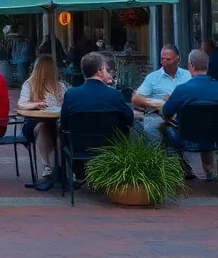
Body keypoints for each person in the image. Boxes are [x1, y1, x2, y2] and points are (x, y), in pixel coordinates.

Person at [58, 52, 134, 182]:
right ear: (100, 71)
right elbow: (130, 119)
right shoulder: (114, 95)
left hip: (79, 147)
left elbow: (64, 123)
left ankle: (77, 174)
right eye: (105, 69)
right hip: (111, 146)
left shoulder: (71, 95)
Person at [162, 49, 218, 181]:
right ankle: (210, 170)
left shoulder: (182, 89)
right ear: (208, 65)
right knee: (205, 128)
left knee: (164, 127)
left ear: (191, 65)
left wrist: (169, 100)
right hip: (216, 135)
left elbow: (166, 112)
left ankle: (184, 169)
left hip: (187, 137)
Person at [17, 54, 68, 190]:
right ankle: (47, 168)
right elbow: (21, 104)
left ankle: (60, 168)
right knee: (42, 127)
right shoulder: (30, 85)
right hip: (34, 122)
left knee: (61, 131)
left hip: (56, 121)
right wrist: (36, 104)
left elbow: (67, 103)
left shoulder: (60, 86)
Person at [132, 45, 191, 145]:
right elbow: (135, 98)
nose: (164, 62)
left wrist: (174, 100)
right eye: (162, 59)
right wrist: (155, 103)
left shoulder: (187, 75)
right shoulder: (153, 77)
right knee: (151, 128)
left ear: (178, 59)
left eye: (168, 59)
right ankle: (156, 158)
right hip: (158, 114)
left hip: (183, 113)